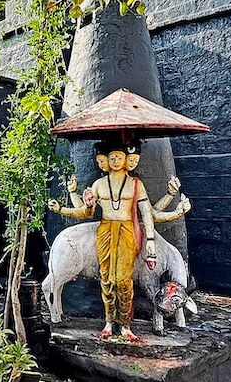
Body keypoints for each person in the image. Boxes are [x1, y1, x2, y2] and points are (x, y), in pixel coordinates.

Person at [48, 135, 155, 342]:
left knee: (123, 279)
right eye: (111, 157)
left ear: (127, 159)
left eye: (119, 157)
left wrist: (150, 241)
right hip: (105, 230)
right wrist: (65, 207)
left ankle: (125, 324)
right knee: (106, 279)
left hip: (126, 231)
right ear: (105, 160)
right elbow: (86, 212)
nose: (115, 161)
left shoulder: (135, 184)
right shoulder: (98, 184)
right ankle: (108, 322)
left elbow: (146, 213)